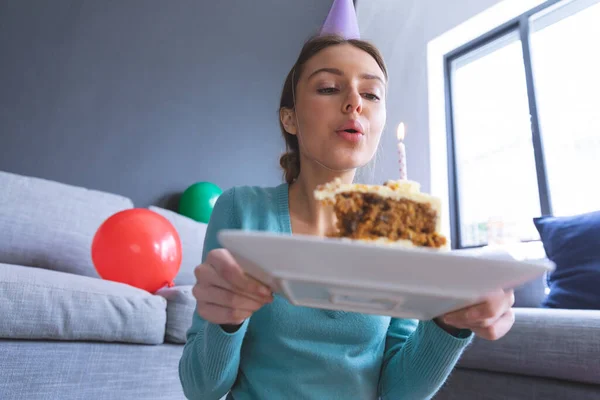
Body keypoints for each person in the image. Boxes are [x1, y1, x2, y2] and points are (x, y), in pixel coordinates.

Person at [178, 34, 515, 400]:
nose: (355, 102)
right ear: (289, 119)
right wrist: (226, 323)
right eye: (328, 87)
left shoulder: (401, 232)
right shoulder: (240, 209)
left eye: (371, 94)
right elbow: (201, 389)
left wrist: (448, 327)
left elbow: (398, 392)